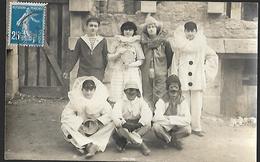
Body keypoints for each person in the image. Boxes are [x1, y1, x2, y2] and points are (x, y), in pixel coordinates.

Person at [170, 21, 218, 137]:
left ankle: (196, 127)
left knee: (197, 103)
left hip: (197, 77)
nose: (190, 33)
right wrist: (174, 77)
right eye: (188, 31)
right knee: (183, 103)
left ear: (196, 32)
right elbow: (175, 62)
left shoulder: (201, 45)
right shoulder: (179, 46)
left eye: (192, 31)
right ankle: (184, 126)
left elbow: (213, 56)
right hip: (183, 77)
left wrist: (205, 69)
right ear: (184, 31)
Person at [60, 76, 114, 158]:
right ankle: (88, 144)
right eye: (86, 90)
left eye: (91, 90)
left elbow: (110, 114)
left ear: (94, 90)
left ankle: (84, 144)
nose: (88, 93)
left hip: (97, 130)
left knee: (113, 124)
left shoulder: (100, 100)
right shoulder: (75, 100)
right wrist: (79, 123)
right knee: (64, 126)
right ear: (82, 90)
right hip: (81, 130)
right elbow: (66, 115)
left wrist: (98, 121)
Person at [140, 14, 174, 111]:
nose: (151, 29)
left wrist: (163, 68)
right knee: (147, 92)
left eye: (153, 27)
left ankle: (159, 113)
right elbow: (140, 56)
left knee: (160, 91)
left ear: (157, 28)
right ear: (146, 29)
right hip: (146, 71)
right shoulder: (143, 43)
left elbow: (169, 56)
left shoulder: (164, 42)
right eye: (149, 27)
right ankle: (148, 113)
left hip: (161, 71)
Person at [111, 81, 153, 156]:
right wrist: (124, 124)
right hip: (125, 127)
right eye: (128, 90)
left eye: (133, 90)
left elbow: (148, 114)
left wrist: (139, 124)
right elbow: (115, 114)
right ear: (125, 92)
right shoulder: (120, 101)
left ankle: (124, 141)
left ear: (137, 92)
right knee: (116, 125)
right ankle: (141, 144)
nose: (131, 93)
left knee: (148, 124)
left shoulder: (141, 101)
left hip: (137, 126)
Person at [108, 21, 144, 103]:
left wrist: (130, 65)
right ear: (123, 31)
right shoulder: (117, 41)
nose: (128, 32)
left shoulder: (136, 43)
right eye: (126, 30)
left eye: (130, 30)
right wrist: (117, 55)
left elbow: (141, 60)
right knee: (118, 90)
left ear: (133, 31)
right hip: (119, 69)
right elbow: (109, 57)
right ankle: (117, 110)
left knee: (130, 89)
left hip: (131, 71)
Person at [63, 16, 108, 82]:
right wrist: (67, 71)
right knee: (82, 90)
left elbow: (105, 57)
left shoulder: (102, 40)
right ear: (86, 27)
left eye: (95, 26)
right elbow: (74, 57)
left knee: (97, 90)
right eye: (91, 25)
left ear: (98, 28)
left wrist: (105, 72)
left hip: (97, 72)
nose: (93, 28)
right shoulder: (81, 40)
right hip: (84, 71)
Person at [152, 75, 191, 150]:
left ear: (179, 89)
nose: (174, 91)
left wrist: (169, 118)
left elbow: (188, 120)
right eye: (171, 88)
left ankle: (171, 139)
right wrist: (178, 119)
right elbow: (156, 118)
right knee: (156, 127)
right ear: (167, 89)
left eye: (176, 88)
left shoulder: (183, 101)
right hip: (166, 127)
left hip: (177, 126)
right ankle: (170, 140)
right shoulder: (162, 101)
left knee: (188, 129)